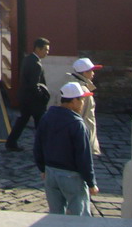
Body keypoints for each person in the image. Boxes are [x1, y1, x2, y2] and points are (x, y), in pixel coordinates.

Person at [34, 81, 98, 216]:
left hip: (51, 174)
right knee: (80, 219)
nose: (82, 103)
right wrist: (91, 182)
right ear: (74, 101)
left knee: (56, 217)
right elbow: (84, 157)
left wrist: (42, 168)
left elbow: (38, 145)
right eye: (81, 99)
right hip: (71, 177)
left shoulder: (47, 117)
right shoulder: (77, 124)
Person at [6, 37, 51, 151]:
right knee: (39, 124)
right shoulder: (36, 64)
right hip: (33, 101)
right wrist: (42, 96)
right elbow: (34, 85)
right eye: (45, 49)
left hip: (25, 98)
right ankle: (42, 147)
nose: (47, 52)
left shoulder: (27, 59)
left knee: (22, 121)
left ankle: (11, 142)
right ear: (38, 49)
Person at [67, 57, 101, 155]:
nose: (93, 73)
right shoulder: (83, 91)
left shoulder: (70, 85)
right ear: (85, 73)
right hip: (83, 135)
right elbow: (79, 115)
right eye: (91, 71)